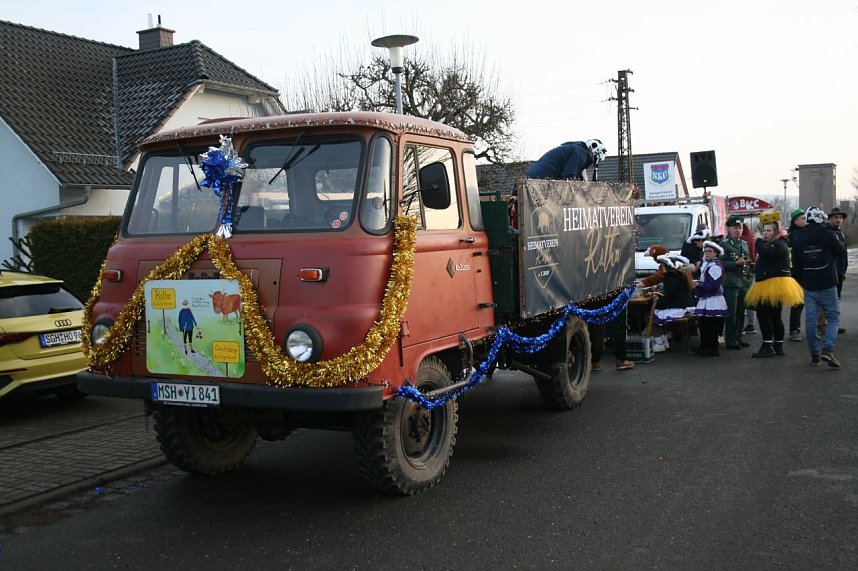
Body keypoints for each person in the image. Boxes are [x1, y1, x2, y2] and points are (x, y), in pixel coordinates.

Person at [790, 207, 847, 367]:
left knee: (810, 320)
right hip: (828, 281)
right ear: (822, 218)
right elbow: (841, 251)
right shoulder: (827, 234)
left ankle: (814, 354)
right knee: (834, 317)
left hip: (809, 283)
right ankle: (828, 349)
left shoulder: (799, 237)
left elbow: (796, 265)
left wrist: (802, 281)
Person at [744, 219, 804, 358]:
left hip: (772, 284)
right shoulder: (776, 243)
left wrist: (758, 241)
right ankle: (777, 345)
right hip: (770, 282)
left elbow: (766, 253)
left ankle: (768, 345)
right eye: (764, 231)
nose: (765, 233)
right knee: (774, 316)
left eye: (769, 231)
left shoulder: (780, 243)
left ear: (776, 231)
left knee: (765, 316)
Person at [719, 215, 753, 349]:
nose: (738, 230)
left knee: (740, 312)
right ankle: (731, 340)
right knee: (731, 314)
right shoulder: (724, 244)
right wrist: (735, 263)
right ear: (729, 229)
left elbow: (747, 261)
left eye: (740, 227)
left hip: (743, 281)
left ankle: (739, 337)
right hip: (731, 283)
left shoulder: (744, 244)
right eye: (735, 228)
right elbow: (720, 263)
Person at [650, 254, 695, 352]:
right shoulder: (679, 276)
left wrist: (656, 303)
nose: (661, 268)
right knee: (655, 313)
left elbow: (668, 297)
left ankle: (660, 342)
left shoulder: (671, 279)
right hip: (684, 305)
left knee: (650, 316)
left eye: (662, 266)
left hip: (678, 308)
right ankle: (663, 340)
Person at [693, 241, 728, 356]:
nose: (707, 253)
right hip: (706, 298)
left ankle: (712, 348)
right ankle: (704, 346)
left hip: (713, 299)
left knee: (711, 325)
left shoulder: (715, 266)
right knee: (703, 324)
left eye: (710, 251)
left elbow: (714, 286)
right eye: (706, 251)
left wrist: (699, 285)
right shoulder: (707, 264)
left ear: (715, 253)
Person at [525, 139, 608, 181]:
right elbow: (568, 178)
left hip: (530, 179)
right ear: (594, 154)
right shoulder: (580, 153)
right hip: (537, 182)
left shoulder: (576, 149)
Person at [786, 208, 807, 341]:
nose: (804, 221)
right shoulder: (792, 235)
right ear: (795, 221)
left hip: (808, 271)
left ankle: (817, 327)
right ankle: (794, 329)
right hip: (796, 273)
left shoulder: (806, 232)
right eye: (802, 219)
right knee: (797, 302)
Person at [828, 206, 849, 303]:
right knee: (832, 299)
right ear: (831, 218)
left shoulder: (840, 233)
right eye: (836, 217)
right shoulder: (829, 233)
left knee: (837, 297)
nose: (838, 220)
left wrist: (844, 269)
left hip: (840, 270)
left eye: (840, 218)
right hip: (832, 271)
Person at [741, 222, 758, 335]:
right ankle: (751, 324)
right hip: (752, 268)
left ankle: (748, 324)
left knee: (744, 297)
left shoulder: (742, 239)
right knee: (750, 296)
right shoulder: (750, 236)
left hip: (744, 270)